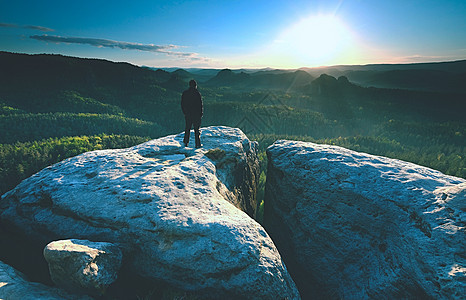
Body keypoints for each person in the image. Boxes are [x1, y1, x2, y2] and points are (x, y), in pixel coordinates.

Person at [181, 79, 203, 148]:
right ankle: (198, 144)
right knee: (197, 130)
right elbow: (200, 105)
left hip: (188, 114)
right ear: (195, 85)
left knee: (187, 129)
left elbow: (182, 104)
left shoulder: (185, 93)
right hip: (196, 115)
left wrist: (185, 112)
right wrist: (201, 113)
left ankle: (185, 142)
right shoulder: (197, 93)